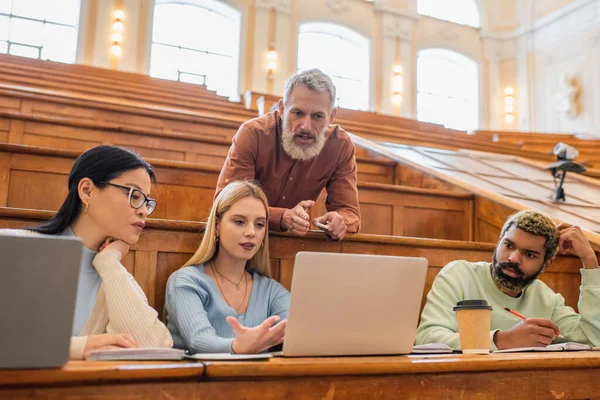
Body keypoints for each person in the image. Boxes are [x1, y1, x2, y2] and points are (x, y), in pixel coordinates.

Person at [0, 145, 173, 359]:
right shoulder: (12, 247)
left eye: (146, 202)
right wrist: (80, 348)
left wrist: (109, 262)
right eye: (134, 195)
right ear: (87, 190)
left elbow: (157, 348)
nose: (143, 210)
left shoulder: (113, 276)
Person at [415, 210, 600, 350]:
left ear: (546, 264)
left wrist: (590, 260)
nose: (513, 258)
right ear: (498, 242)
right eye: (509, 245)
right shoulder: (458, 275)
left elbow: (594, 339)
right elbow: (427, 338)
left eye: (529, 254)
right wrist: (502, 339)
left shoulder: (547, 300)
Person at [216, 69, 360, 241]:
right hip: (240, 241)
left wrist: (340, 221)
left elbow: (349, 212)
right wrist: (282, 217)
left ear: (332, 117)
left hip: (292, 249)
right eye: (298, 113)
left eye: (317, 116)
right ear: (283, 108)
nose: (306, 126)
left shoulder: (340, 145)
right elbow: (227, 203)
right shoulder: (253, 133)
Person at [166, 180, 289, 354]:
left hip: (257, 380)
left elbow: (301, 332)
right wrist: (238, 346)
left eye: (259, 224)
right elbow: (198, 341)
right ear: (216, 225)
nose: (251, 232)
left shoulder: (270, 289)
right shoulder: (186, 281)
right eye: (239, 222)